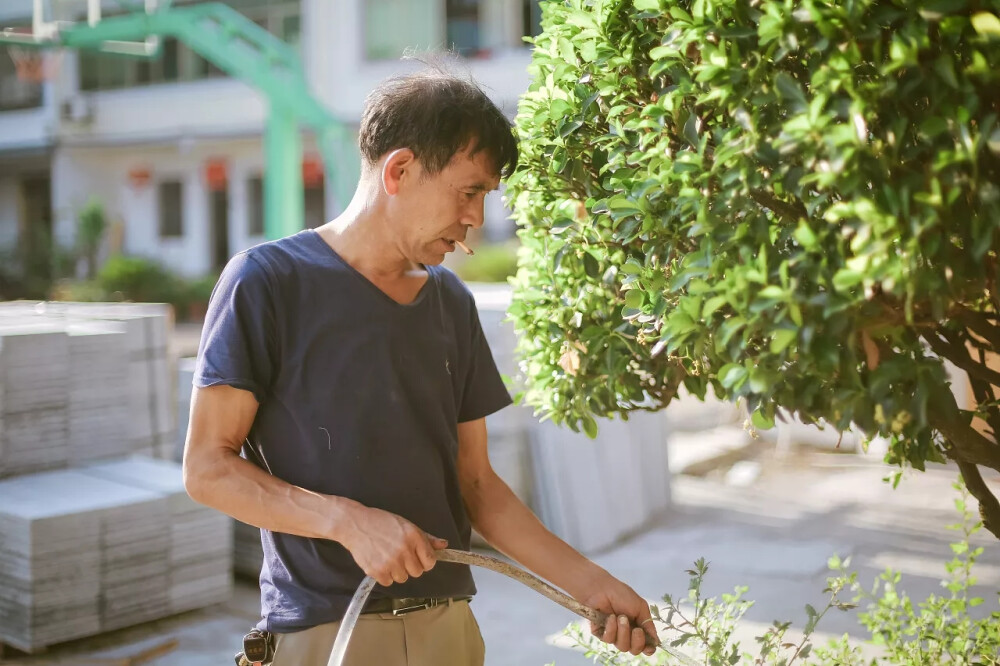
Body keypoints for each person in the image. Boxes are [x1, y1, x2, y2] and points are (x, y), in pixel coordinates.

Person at [183, 65, 659, 666]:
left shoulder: (450, 303)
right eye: (469, 191)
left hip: (449, 634)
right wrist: (348, 522)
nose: (476, 221)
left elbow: (479, 486)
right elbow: (206, 469)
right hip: (328, 632)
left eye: (485, 197)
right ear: (400, 170)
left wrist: (594, 587)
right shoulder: (266, 282)